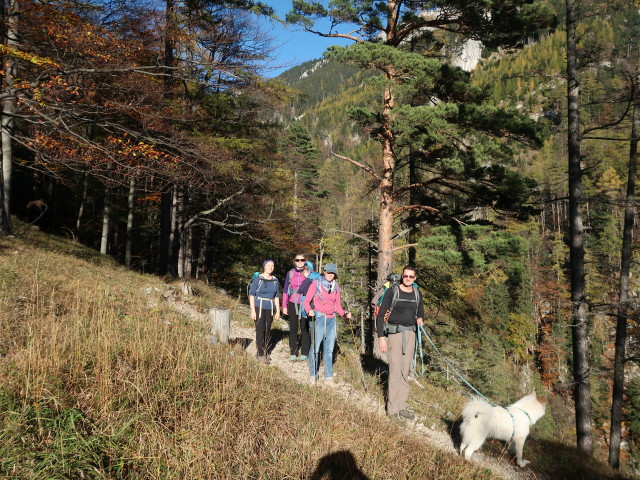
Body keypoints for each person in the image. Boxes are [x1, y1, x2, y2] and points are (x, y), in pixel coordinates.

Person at [376, 265, 424, 420]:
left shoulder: (417, 293)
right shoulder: (392, 291)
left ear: (415, 278)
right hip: (395, 335)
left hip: (410, 334)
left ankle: (402, 406)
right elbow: (380, 315)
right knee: (395, 370)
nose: (408, 279)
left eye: (411, 276)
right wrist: (381, 337)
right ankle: (392, 409)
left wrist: (420, 319)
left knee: (405, 370)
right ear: (402, 276)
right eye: (405, 276)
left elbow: (420, 311)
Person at [304, 263, 352, 385]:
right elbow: (306, 301)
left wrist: (345, 314)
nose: (330, 275)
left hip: (332, 319)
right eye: (328, 272)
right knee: (315, 348)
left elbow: (338, 306)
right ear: (324, 272)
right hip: (319, 318)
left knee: (329, 349)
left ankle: (328, 376)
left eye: (333, 273)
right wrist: (309, 310)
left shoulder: (336, 287)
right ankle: (312, 375)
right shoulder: (316, 284)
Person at [248, 259, 280, 364]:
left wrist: (278, 311)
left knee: (267, 330)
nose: (271, 267)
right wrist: (253, 311)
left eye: (272, 266)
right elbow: (251, 294)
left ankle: (265, 351)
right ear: (264, 267)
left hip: (270, 308)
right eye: (269, 265)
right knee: (260, 329)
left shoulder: (275, 280)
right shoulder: (258, 279)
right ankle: (260, 354)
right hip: (259, 307)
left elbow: (276, 297)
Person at [282, 254, 311, 361]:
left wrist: (308, 276)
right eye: (297, 260)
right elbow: (285, 290)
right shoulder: (290, 273)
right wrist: (284, 306)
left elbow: (314, 286)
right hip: (292, 302)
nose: (300, 262)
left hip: (305, 303)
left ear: (305, 261)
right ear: (294, 261)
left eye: (302, 260)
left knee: (304, 328)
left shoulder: (309, 273)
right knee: (293, 328)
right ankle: (293, 352)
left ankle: (305, 352)